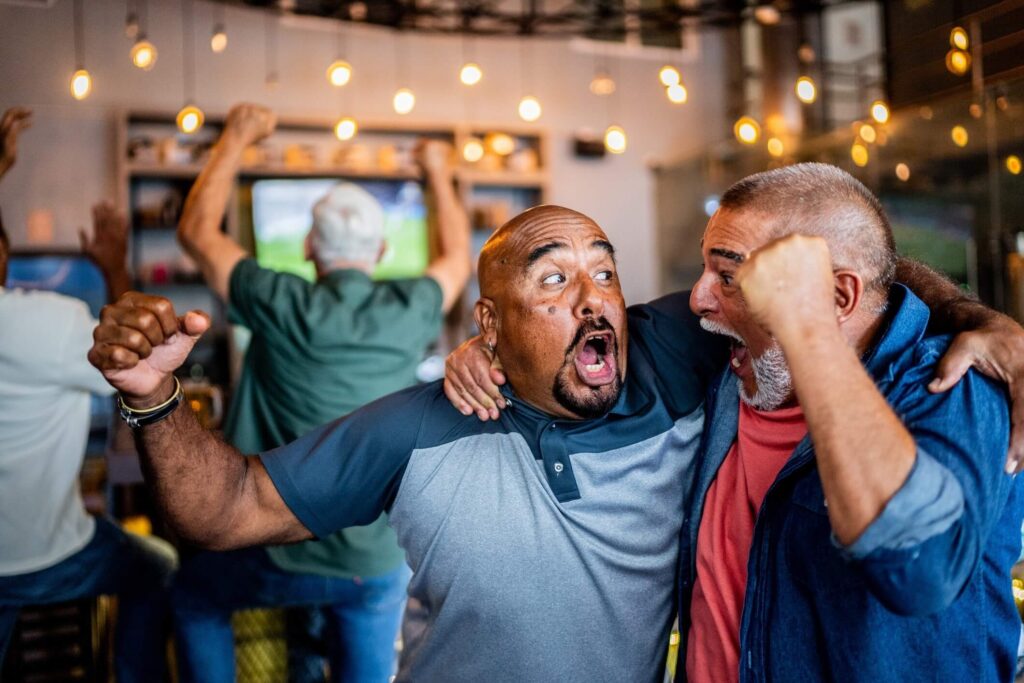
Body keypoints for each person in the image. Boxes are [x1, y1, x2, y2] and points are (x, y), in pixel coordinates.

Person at [89, 204, 1024, 681]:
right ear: (489, 330)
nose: (593, 297)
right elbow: (227, 507)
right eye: (554, 279)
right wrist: (155, 396)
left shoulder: (669, 348)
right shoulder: (425, 424)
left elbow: (833, 254)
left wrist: (977, 312)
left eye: (605, 272)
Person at [679, 164, 1024, 682]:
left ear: (839, 297)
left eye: (730, 276)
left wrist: (808, 323)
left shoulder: (958, 385)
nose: (698, 300)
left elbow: (921, 569)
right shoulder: (727, 366)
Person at [169, 103, 471, 683]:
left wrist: (237, 135)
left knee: (192, 597)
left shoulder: (279, 299)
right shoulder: (410, 307)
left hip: (270, 549)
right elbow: (458, 256)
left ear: (309, 247)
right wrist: (437, 168)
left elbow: (196, 234)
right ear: (380, 252)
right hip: (370, 561)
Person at [0, 106, 176, 683]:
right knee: (159, 566)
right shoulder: (45, 323)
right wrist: (113, 266)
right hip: (48, 559)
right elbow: (136, 352)